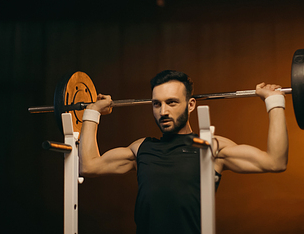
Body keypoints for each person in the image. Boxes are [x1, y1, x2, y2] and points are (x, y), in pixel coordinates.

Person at [79, 70, 288, 234]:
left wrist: (274, 102)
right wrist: (92, 112)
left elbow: (275, 162)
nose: (163, 112)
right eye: (156, 104)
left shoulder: (211, 147)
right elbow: (89, 165)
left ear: (190, 105)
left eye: (171, 102)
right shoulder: (141, 148)